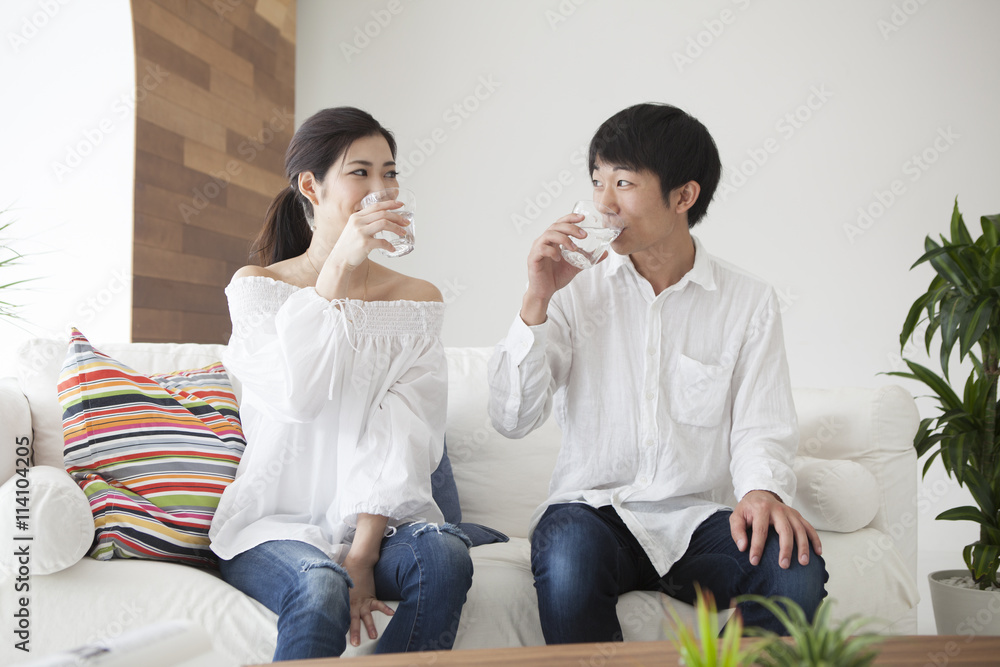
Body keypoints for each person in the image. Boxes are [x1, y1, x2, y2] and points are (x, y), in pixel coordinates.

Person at [487, 103, 827, 643]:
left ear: (684, 196)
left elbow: (761, 427)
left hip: (698, 522)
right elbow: (510, 417)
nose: (602, 203)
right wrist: (537, 298)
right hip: (594, 514)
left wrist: (762, 491)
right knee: (570, 554)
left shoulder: (749, 301)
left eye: (623, 182)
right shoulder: (573, 287)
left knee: (795, 568)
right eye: (597, 181)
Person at [209, 107, 473, 661]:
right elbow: (297, 398)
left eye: (391, 173)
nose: (382, 189)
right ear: (312, 185)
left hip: (380, 523)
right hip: (273, 523)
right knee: (318, 583)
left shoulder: (416, 299)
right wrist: (337, 272)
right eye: (361, 173)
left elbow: (402, 431)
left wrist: (362, 553)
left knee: (445, 555)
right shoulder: (258, 288)